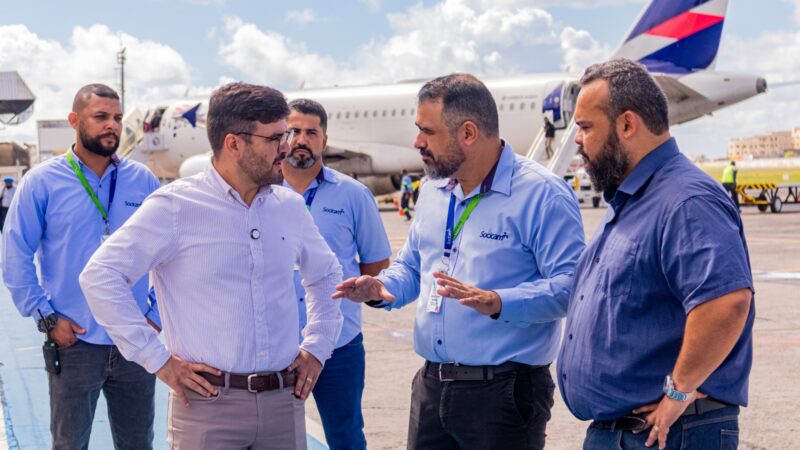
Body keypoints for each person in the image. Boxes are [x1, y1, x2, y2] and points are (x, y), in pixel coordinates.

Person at [79, 82, 343, 450]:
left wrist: (317, 347)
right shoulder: (175, 207)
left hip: (284, 403)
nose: (287, 146)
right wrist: (157, 360)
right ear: (234, 143)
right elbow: (100, 276)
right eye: (276, 138)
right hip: (207, 408)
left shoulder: (289, 207)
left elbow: (327, 275)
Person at [334, 73, 585, 450]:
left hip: (504, 393)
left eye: (427, 131)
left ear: (468, 133)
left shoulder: (543, 195)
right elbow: (413, 266)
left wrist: (499, 302)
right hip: (432, 387)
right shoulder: (434, 190)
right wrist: (383, 287)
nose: (417, 142)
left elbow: (572, 287)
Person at [558, 59, 754, 450]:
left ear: (627, 125)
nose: (577, 140)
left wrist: (678, 393)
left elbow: (726, 301)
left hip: (668, 434)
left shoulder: (685, 199)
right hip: (627, 431)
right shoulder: (634, 198)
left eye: (585, 127)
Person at [1, 84, 161, 450]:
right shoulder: (42, 182)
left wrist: (155, 315)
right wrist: (47, 318)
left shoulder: (144, 181)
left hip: (135, 342)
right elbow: (15, 255)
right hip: (74, 341)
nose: (112, 126)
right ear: (75, 121)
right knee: (69, 444)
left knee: (139, 443)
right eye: (101, 117)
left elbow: (172, 254)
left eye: (118, 118)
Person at [282, 98, 391, 450]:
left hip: (339, 345)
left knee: (345, 436)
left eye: (311, 132)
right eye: (293, 131)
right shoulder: (261, 192)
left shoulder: (353, 195)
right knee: (274, 439)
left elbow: (376, 264)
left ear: (324, 141)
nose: (301, 139)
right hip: (276, 344)